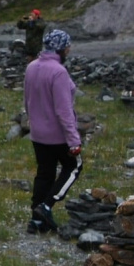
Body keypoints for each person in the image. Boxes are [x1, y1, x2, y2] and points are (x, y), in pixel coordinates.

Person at [24, 27, 82, 235]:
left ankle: (36, 222)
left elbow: (27, 100)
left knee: (44, 173)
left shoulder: (31, 67)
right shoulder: (58, 72)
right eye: (67, 48)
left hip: (38, 133)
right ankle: (47, 206)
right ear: (61, 49)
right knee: (73, 166)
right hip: (57, 135)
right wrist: (74, 140)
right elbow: (63, 110)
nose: (68, 51)